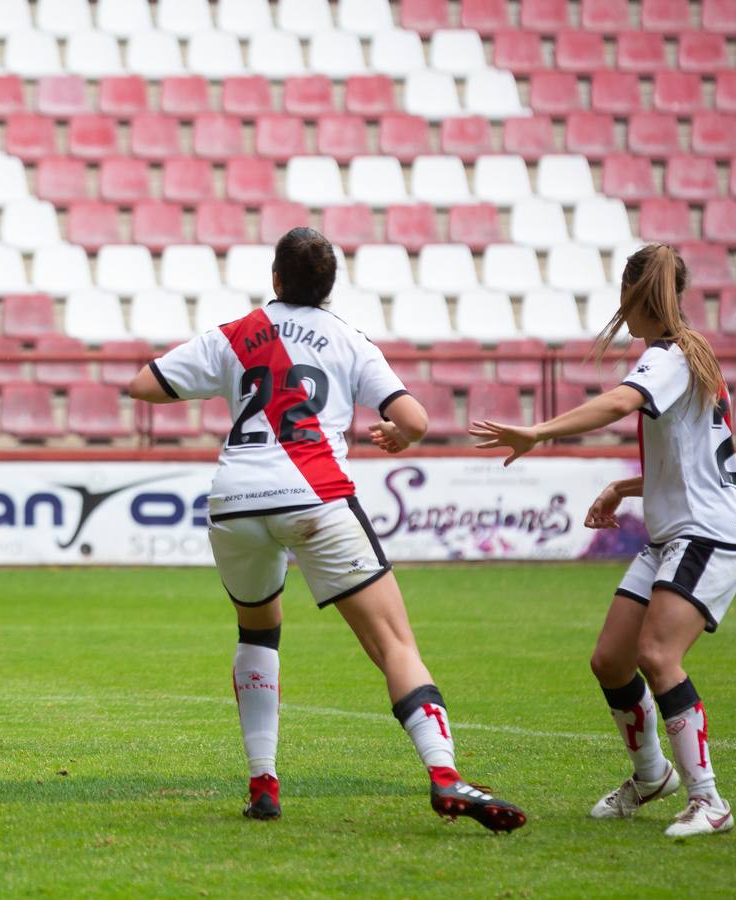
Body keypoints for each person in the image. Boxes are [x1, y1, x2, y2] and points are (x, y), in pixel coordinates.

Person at [127, 228, 527, 831]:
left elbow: (142, 385)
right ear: (330, 285)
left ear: (276, 279)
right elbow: (413, 417)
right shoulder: (349, 339)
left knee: (258, 630)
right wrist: (400, 436)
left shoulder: (234, 334)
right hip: (315, 494)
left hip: (235, 500)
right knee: (394, 644)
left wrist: (229, 385)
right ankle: (444, 774)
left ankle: (264, 782)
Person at [471, 244, 736, 838]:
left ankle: (709, 800)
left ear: (632, 294)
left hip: (708, 533)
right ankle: (652, 776)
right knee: (611, 660)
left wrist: (538, 432)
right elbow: (694, 462)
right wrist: (627, 486)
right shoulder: (690, 354)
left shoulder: (669, 358)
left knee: (657, 657)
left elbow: (622, 401)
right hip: (678, 530)